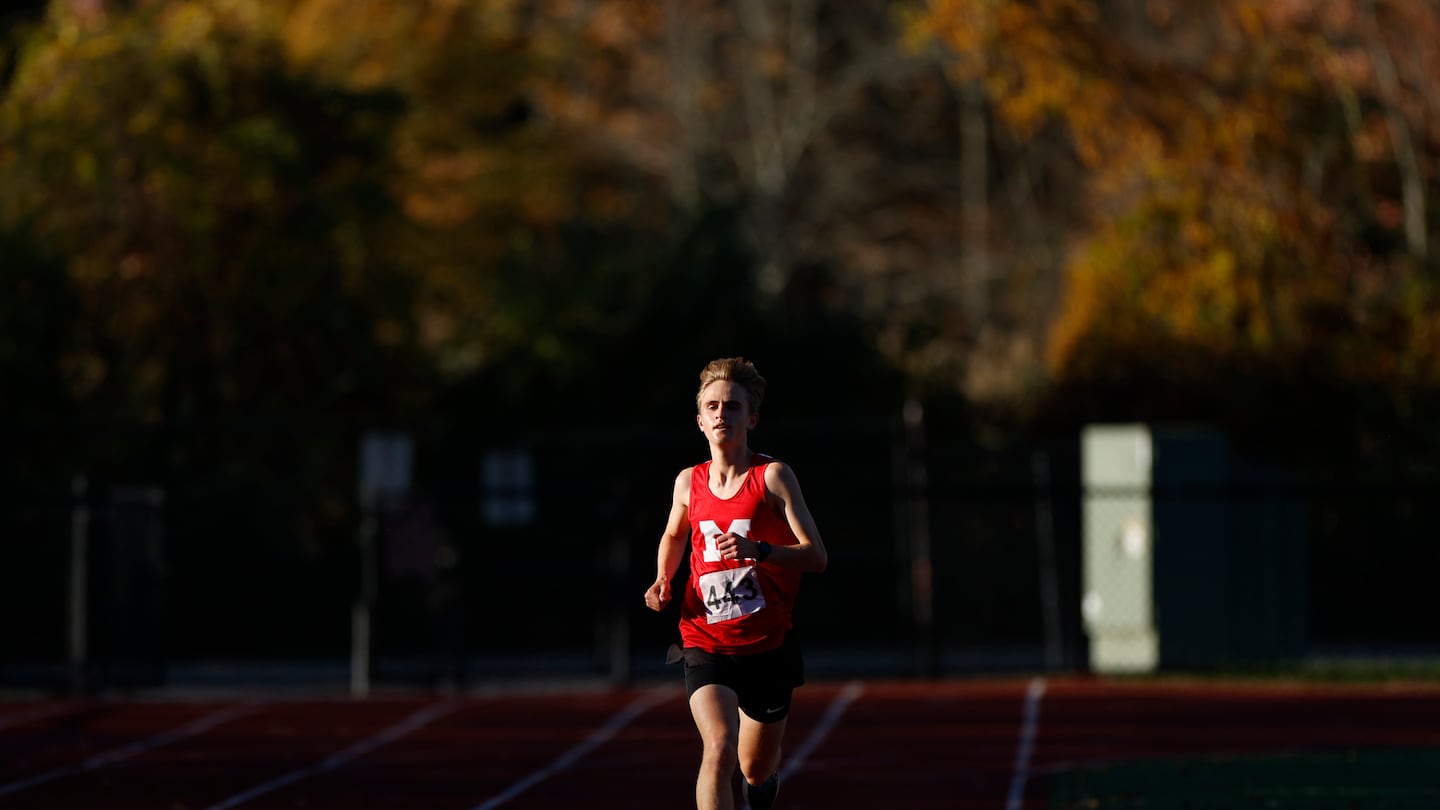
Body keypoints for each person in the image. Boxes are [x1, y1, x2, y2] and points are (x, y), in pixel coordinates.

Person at [644, 357, 829, 810]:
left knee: (753, 768)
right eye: (713, 406)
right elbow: (673, 534)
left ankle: (763, 785)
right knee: (719, 749)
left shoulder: (773, 477)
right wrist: (662, 577)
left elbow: (817, 557)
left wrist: (760, 551)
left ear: (752, 417)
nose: (722, 413)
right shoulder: (689, 481)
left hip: (767, 644)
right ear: (700, 421)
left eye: (732, 405)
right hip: (704, 638)